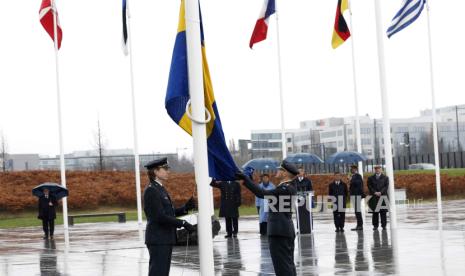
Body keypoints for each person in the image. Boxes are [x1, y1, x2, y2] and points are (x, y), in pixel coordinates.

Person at [237, 160, 298, 276]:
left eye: (280, 169)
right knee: (287, 265)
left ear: (285, 174)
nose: (277, 171)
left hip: (279, 232)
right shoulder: (288, 187)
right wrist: (248, 180)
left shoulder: (285, 189)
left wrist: (247, 180)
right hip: (284, 231)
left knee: (283, 268)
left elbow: (262, 193)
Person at [143, 157, 196, 276]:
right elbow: (160, 217)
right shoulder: (152, 190)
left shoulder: (159, 188)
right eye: (165, 168)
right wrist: (183, 223)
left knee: (163, 272)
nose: (168, 171)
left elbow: (169, 213)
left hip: (164, 238)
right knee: (158, 272)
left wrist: (185, 208)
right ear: (155, 171)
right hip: (158, 238)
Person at [367, 165, 389, 230]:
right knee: (375, 212)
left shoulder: (385, 178)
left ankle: (384, 226)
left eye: (378, 169)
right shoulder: (370, 178)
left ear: (381, 169)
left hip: (383, 196)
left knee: (383, 212)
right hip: (374, 197)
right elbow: (369, 186)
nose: (377, 170)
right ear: (375, 170)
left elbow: (386, 186)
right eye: (376, 169)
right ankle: (375, 225)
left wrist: (380, 192)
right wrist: (375, 192)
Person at [349, 165, 365, 231]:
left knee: (358, 211)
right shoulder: (352, 176)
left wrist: (351, 180)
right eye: (351, 168)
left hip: (357, 195)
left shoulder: (358, 176)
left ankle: (360, 225)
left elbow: (359, 184)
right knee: (356, 211)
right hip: (353, 195)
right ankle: (358, 225)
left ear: (355, 169)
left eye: (352, 168)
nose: (351, 170)